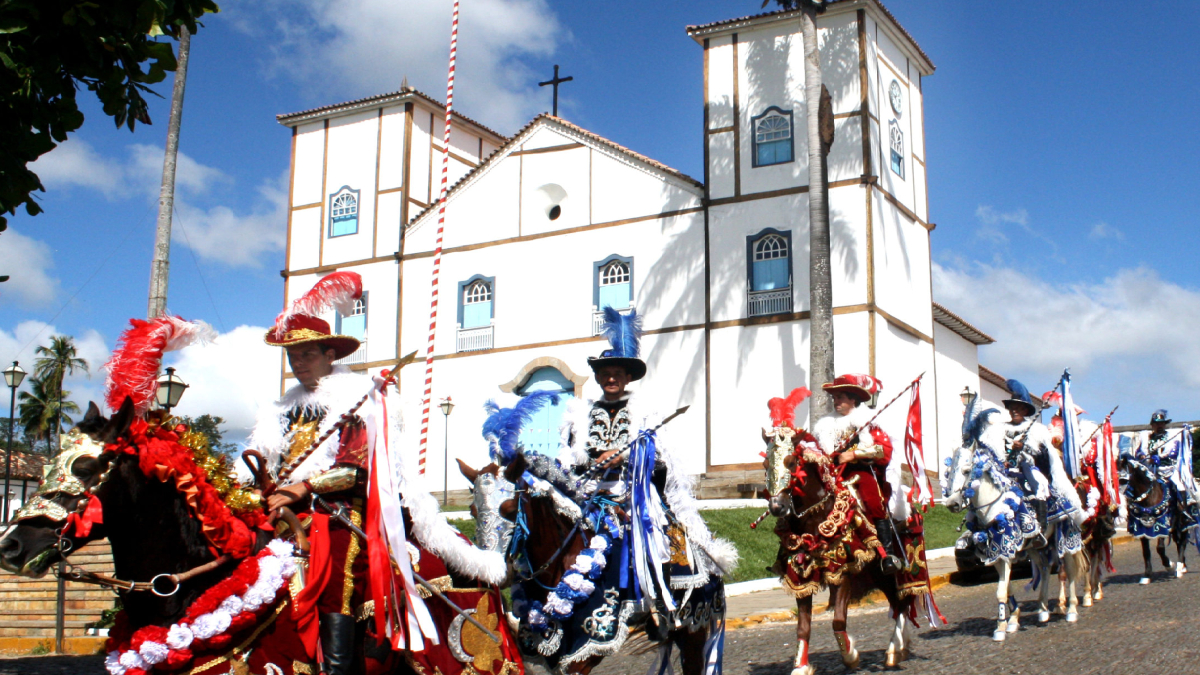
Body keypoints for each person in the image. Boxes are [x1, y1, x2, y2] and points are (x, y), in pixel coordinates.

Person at [245, 272, 520, 675]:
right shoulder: (281, 410)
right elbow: (266, 463)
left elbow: (355, 469)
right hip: (284, 509)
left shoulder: (358, 400)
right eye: (292, 356)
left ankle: (337, 666)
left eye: (306, 354)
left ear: (328, 354)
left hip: (341, 509)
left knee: (335, 560)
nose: (298, 363)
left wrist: (303, 487)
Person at [542, 307, 735, 665]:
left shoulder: (645, 413)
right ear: (597, 378)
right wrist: (584, 466)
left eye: (617, 373)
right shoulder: (579, 416)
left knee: (655, 540)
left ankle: (659, 607)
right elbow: (566, 460)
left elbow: (663, 462)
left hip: (634, 499)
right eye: (605, 373)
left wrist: (628, 457)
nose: (610, 378)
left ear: (627, 377)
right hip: (588, 499)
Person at [812, 373, 902, 574]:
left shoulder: (869, 422)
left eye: (841, 397)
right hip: (833, 474)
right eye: (834, 398)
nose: (836, 402)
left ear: (853, 399)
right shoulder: (825, 426)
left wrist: (853, 454)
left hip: (860, 471)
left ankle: (887, 555)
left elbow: (883, 451)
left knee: (873, 501)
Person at [1000, 380, 1081, 550]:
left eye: (1018, 408)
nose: (1014, 411)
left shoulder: (1036, 430)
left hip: (1027, 470)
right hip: (1004, 471)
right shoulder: (1000, 429)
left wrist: (1024, 448)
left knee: (1040, 486)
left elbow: (1044, 455)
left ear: (1025, 410)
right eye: (1012, 408)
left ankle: (1040, 529)